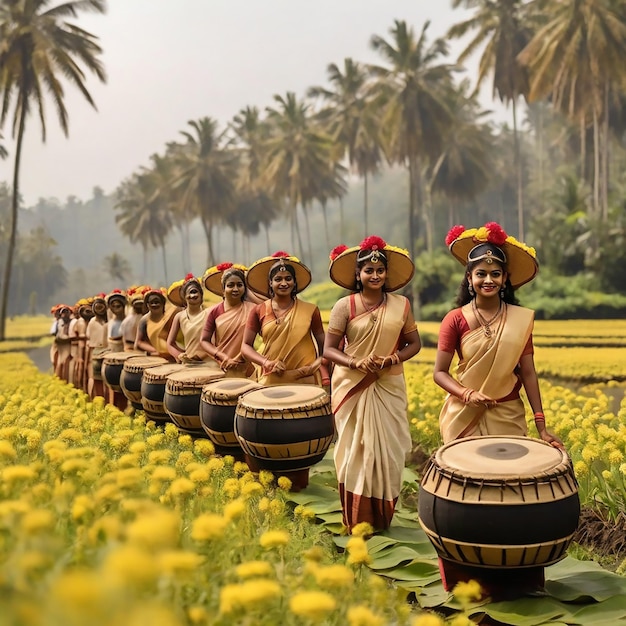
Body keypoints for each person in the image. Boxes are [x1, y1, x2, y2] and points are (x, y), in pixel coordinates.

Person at [323, 236, 421, 533]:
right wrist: (355, 362)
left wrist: (392, 359)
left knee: (388, 452)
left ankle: (383, 516)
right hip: (353, 387)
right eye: (369, 270)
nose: (375, 275)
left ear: (386, 274)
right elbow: (329, 349)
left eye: (380, 271)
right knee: (356, 450)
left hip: (388, 387)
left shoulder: (401, 305)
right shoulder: (344, 306)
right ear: (358, 274)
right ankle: (357, 518)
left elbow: (413, 343)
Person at [434, 222, 562, 447]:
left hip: (507, 416)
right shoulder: (454, 319)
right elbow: (440, 373)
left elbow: (528, 373)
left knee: (510, 478)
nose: (488, 280)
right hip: (463, 416)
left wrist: (541, 426)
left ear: (505, 278)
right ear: (469, 278)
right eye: (481, 274)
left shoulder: (520, 321)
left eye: (495, 274)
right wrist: (466, 394)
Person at [241, 251, 328, 386]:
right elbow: (246, 346)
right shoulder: (258, 310)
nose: (284, 283)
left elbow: (325, 348)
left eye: (288, 278)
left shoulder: (310, 310)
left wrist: (312, 367)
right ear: (270, 282)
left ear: (294, 282)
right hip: (271, 378)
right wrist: (266, 363)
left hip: (305, 378)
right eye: (278, 279)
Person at [199, 263, 257, 377]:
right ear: (223, 289)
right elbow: (204, 341)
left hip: (247, 366)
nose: (235, 289)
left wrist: (241, 356)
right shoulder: (214, 311)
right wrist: (222, 356)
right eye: (230, 285)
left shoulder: (253, 309)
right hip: (221, 366)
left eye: (239, 285)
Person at [166, 274, 211, 364]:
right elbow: (170, 343)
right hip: (189, 364)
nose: (193, 295)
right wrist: (179, 355)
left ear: (201, 295)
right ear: (184, 296)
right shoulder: (179, 316)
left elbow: (216, 341)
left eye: (195, 292)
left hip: (208, 362)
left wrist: (201, 356)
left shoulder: (209, 313)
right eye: (190, 292)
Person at [135, 287, 178, 360]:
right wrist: (154, 351)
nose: (154, 305)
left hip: (174, 356)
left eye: (157, 302)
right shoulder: (144, 320)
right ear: (147, 305)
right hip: (156, 358)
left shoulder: (171, 317)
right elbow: (138, 343)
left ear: (163, 303)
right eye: (151, 302)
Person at [85, 293, 109, 399]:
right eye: (97, 306)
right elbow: (89, 340)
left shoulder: (109, 321)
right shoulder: (92, 322)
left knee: (108, 380)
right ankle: (100, 399)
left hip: (108, 352)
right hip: (96, 352)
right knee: (97, 378)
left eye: (101, 306)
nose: (99, 309)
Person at [121, 286, 147, 351]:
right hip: (130, 346)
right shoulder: (127, 320)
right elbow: (123, 336)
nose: (139, 307)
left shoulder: (147, 318)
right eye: (137, 305)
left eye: (141, 305)